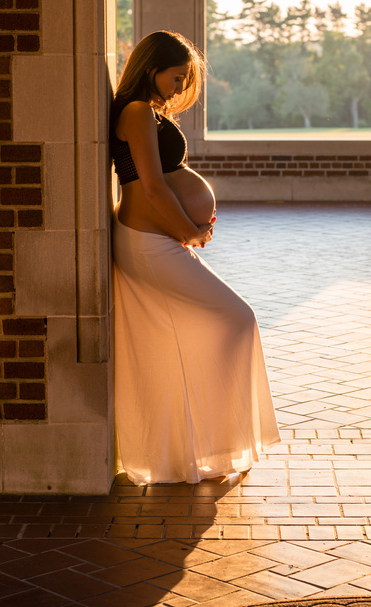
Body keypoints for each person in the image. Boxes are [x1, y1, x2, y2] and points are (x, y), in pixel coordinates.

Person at [111, 29, 280, 485]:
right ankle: (217, 441)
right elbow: (152, 188)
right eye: (176, 77)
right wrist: (190, 231)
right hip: (149, 244)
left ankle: (199, 447)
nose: (181, 87)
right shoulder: (135, 111)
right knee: (237, 319)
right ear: (152, 70)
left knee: (186, 341)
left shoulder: (148, 113)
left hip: (158, 242)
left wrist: (188, 229)